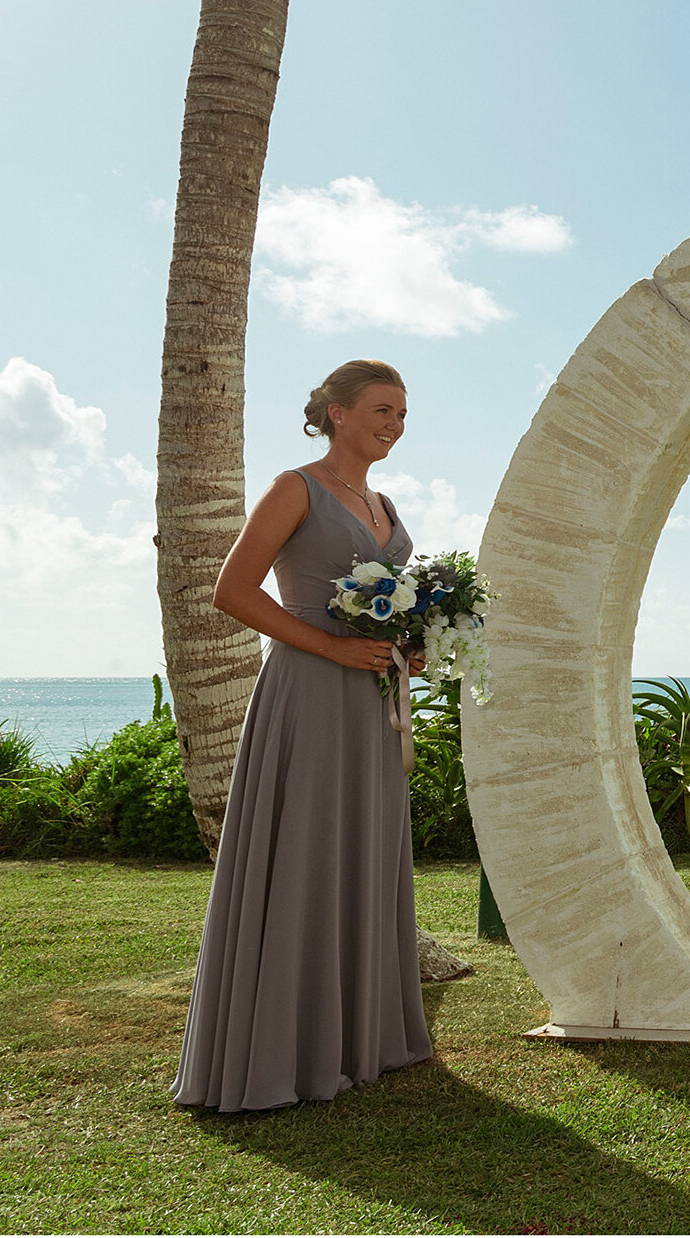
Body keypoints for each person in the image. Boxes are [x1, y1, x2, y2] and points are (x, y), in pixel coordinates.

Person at [171, 360, 433, 1113]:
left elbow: (388, 609)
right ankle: (285, 1050)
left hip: (373, 704)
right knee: (306, 853)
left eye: (404, 413)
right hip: (309, 697)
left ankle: (361, 1040)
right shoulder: (297, 487)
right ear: (337, 411)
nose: (395, 423)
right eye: (382, 408)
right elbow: (232, 589)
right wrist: (333, 648)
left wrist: (409, 646)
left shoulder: (382, 501)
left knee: (363, 853)